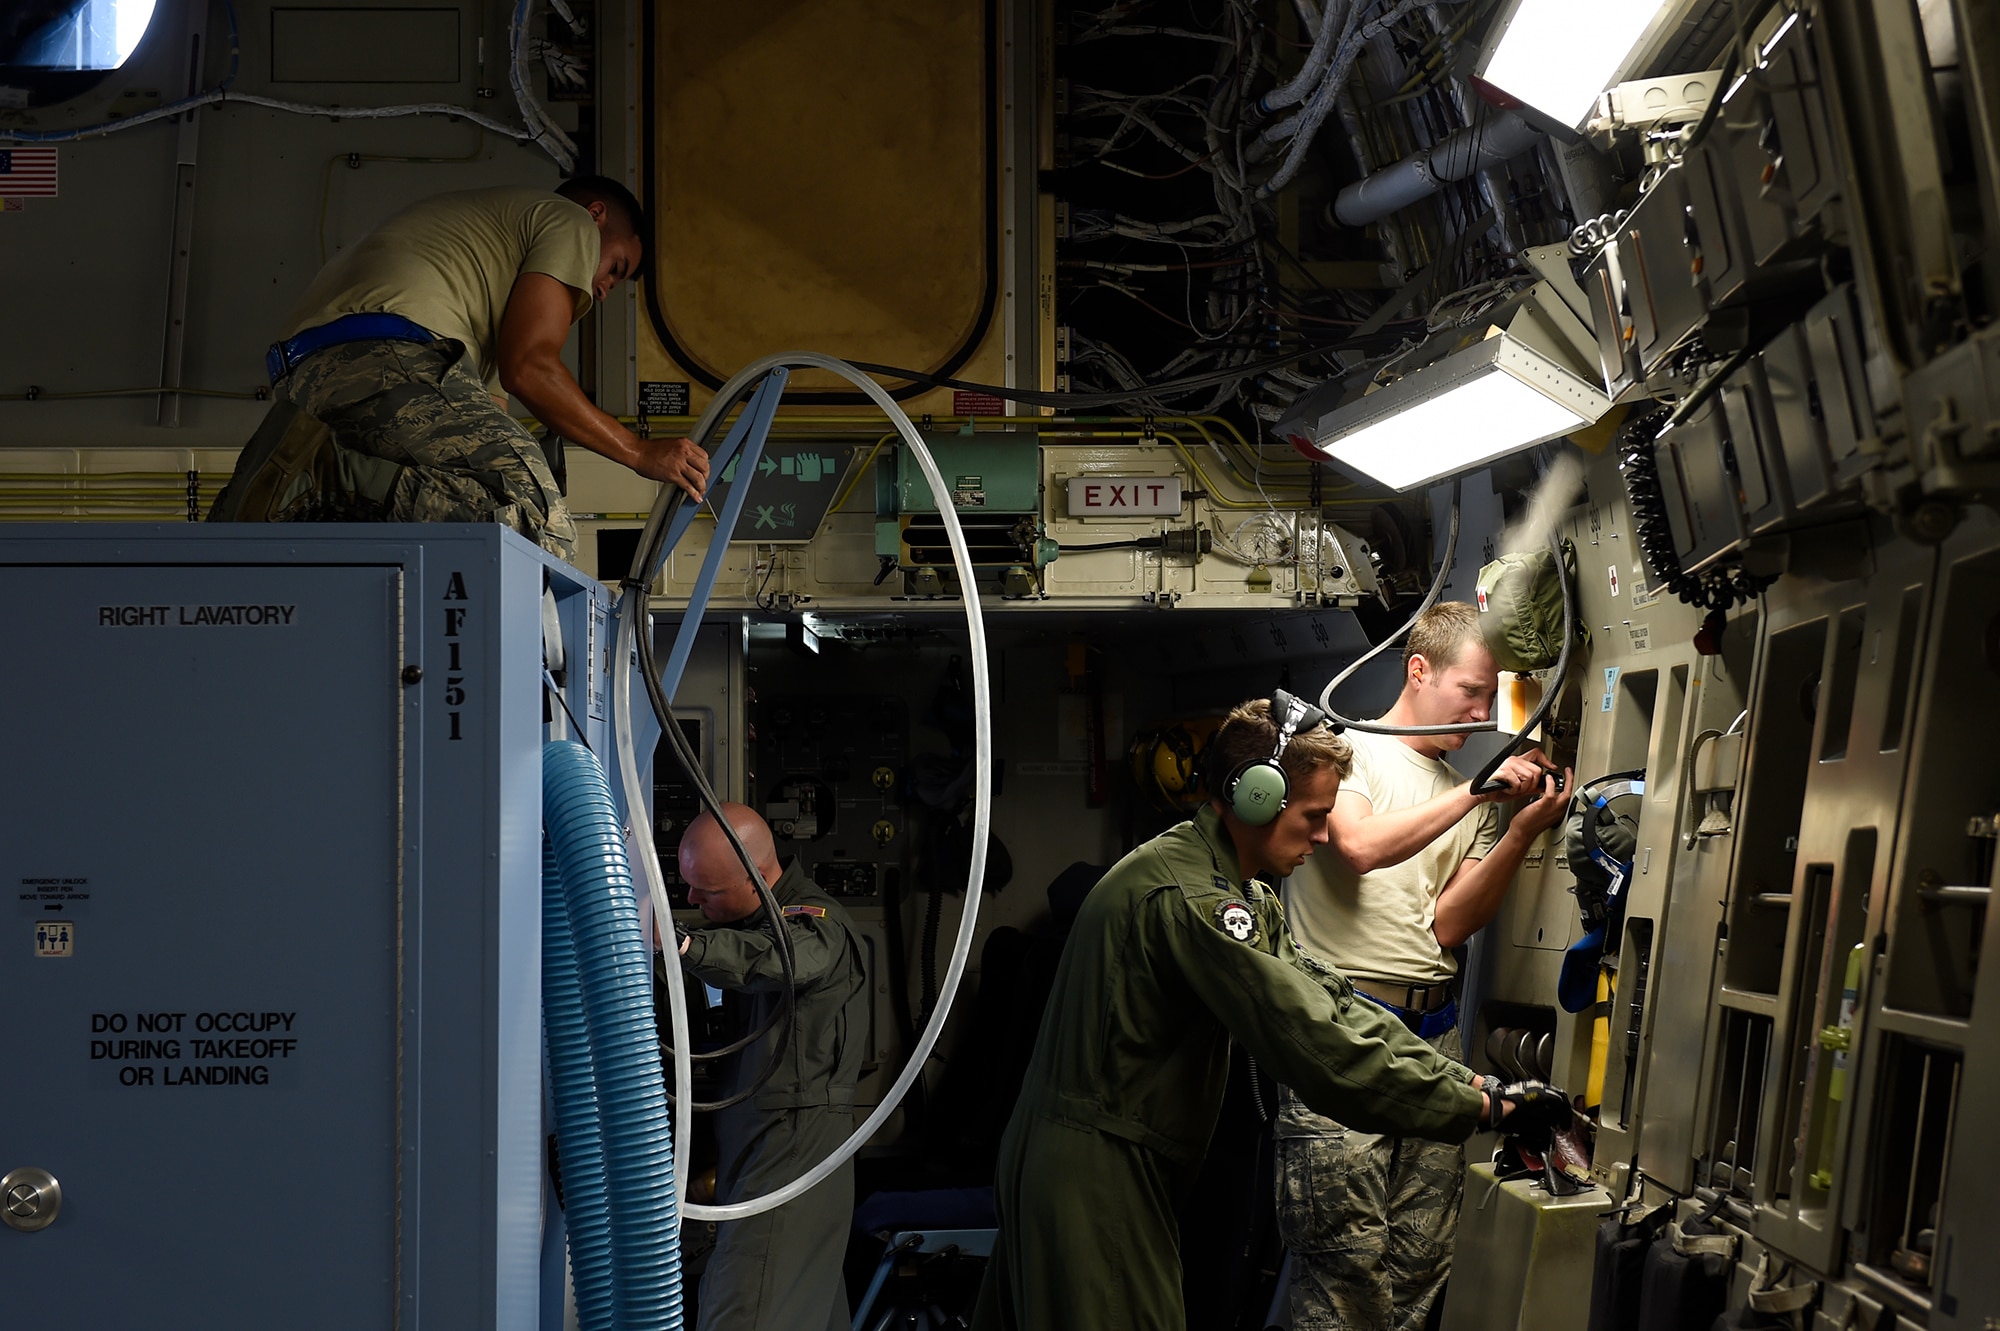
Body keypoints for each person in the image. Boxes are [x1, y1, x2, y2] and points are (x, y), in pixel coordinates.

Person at [970, 695, 1569, 1331]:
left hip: (1098, 1157)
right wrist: (1479, 1112)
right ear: (1256, 798)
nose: (1321, 835)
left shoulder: (1240, 890)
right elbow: (1312, 1043)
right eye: (1312, 816)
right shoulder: (1195, 900)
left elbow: (1335, 1002)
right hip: (1094, 1170)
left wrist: (1474, 1083)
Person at [1277, 602, 1571, 1331]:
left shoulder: (1468, 801)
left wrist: (1518, 829)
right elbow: (1360, 847)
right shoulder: (1345, 752)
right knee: (1343, 1262)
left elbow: (1449, 922)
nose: (1480, 710)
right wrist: (1478, 791)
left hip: (1430, 1036)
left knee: (1417, 1262)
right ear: (1419, 669)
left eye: (1492, 695)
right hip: (1343, 1030)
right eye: (1470, 689)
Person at [210, 176, 708, 559]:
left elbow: (487, 414)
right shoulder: (568, 220)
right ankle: (321, 477)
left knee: (473, 519)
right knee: (539, 523)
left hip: (315, 375)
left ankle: (294, 490)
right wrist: (638, 451)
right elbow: (530, 367)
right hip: (389, 355)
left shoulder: (480, 281)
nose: (602, 290)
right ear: (597, 216)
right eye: (615, 268)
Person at [673, 803, 868, 1331]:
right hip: (755, 1142)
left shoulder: (813, 926)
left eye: (705, 892)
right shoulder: (747, 922)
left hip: (792, 1144)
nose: (691, 900)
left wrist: (685, 946)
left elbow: (778, 958)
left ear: (759, 877)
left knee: (746, 1311)